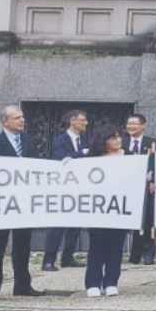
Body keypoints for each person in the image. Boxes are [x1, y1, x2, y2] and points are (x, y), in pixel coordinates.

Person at [0, 105, 41, 303]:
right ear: (5, 121)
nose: (22, 120)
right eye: (17, 118)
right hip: (2, 203)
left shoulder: (29, 141)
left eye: (22, 117)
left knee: (23, 245)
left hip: (24, 202)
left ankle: (22, 285)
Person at [78, 131, 130, 297]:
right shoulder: (92, 158)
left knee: (116, 247)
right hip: (98, 210)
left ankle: (111, 282)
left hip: (120, 208)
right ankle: (93, 283)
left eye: (118, 136)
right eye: (113, 137)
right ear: (103, 140)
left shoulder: (130, 157)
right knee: (97, 246)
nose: (118, 140)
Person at [41, 109, 91, 272]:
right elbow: (61, 159)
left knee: (75, 226)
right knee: (57, 226)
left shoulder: (86, 139)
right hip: (63, 188)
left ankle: (68, 257)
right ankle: (48, 260)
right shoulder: (60, 140)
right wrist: (81, 154)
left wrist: (79, 155)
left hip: (80, 187)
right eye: (82, 120)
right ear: (73, 121)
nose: (85, 123)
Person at [121, 113, 156, 266]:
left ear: (143, 125)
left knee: (147, 220)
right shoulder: (120, 142)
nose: (131, 127)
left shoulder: (153, 142)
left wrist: (153, 181)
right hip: (125, 186)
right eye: (129, 123)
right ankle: (133, 254)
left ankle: (148, 253)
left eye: (135, 124)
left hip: (146, 188)